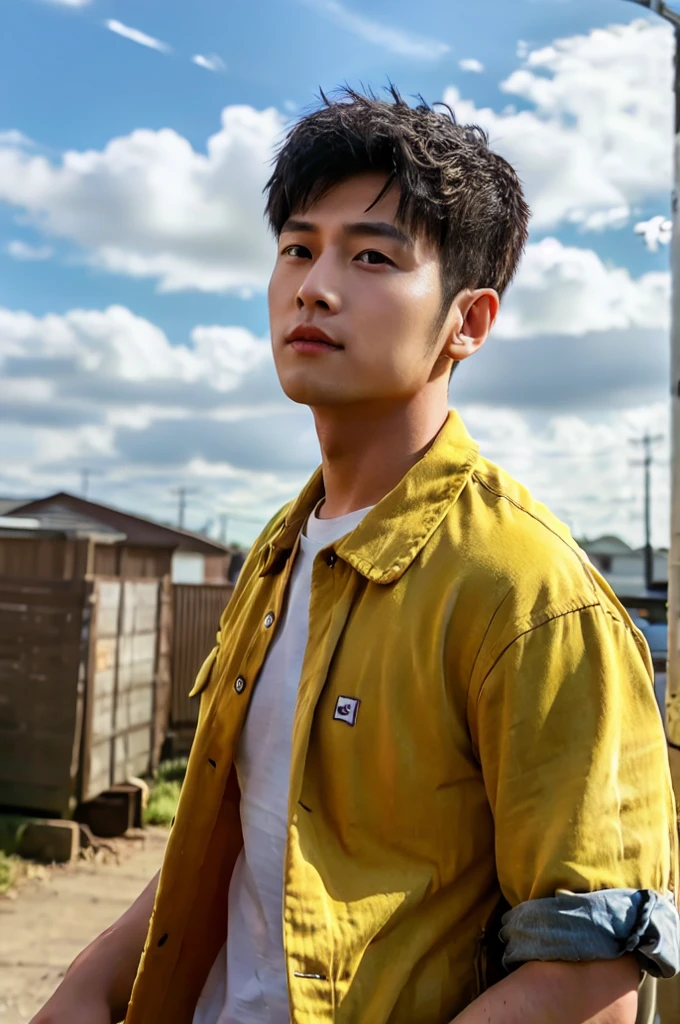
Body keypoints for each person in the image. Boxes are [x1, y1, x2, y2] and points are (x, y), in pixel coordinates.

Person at [32, 86, 680, 1024]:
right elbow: (229, 862)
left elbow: (587, 985)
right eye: (298, 248)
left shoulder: (529, 594)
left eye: (373, 256)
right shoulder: (277, 555)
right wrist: (86, 988)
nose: (314, 285)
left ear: (469, 321)